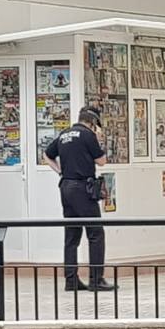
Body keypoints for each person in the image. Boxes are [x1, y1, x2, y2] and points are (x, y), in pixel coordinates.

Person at [45, 107, 114, 291]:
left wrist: (61, 171)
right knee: (96, 234)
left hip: (66, 187)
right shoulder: (87, 135)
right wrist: (100, 140)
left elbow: (47, 155)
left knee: (72, 235)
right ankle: (96, 279)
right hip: (83, 188)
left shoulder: (64, 134)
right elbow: (101, 161)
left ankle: (71, 280)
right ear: (92, 122)